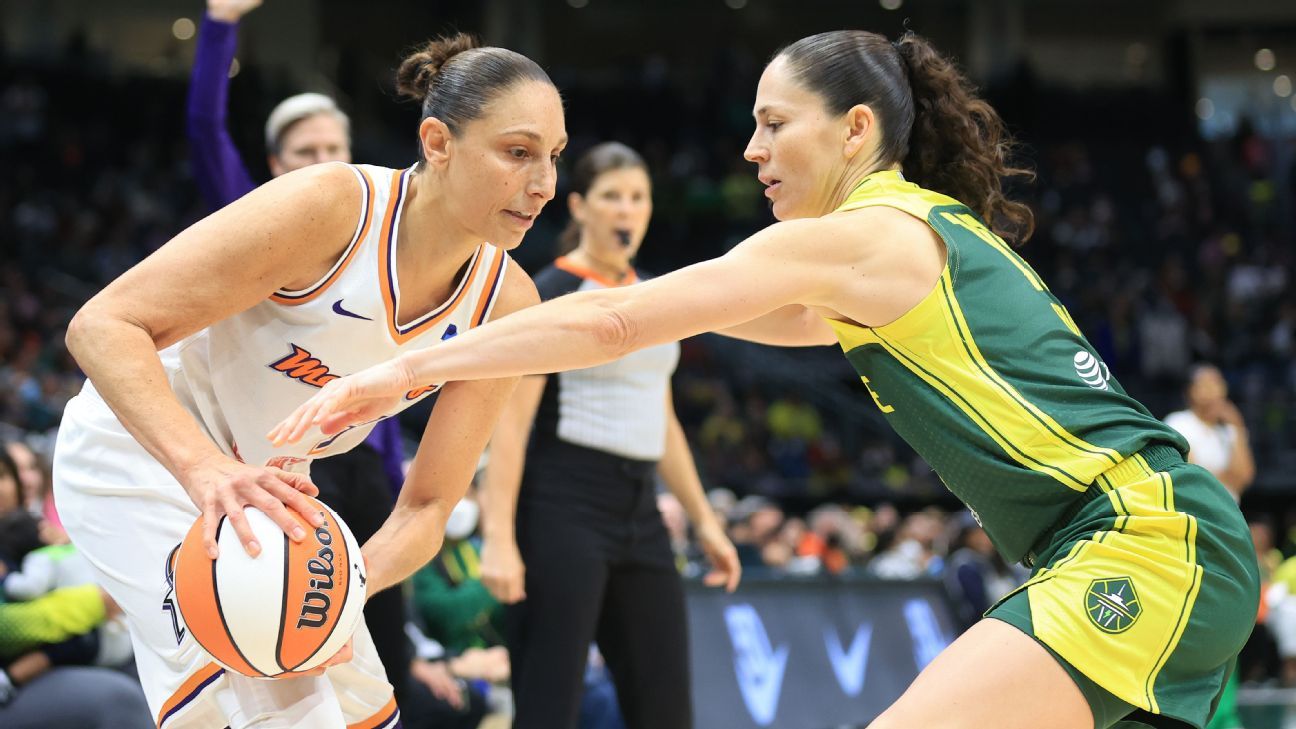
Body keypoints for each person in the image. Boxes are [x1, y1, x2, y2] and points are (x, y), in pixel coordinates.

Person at [276, 30, 1260, 729]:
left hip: (1144, 543)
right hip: (1148, 544)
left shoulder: (861, 238)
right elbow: (637, 314)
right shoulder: (900, 243)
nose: (750, 150)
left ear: (854, 130)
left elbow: (612, 323)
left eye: (773, 123)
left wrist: (408, 368)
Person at [55, 32, 565, 728]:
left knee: (358, 714)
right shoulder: (332, 206)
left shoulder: (507, 302)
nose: (544, 184)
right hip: (144, 460)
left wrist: (346, 590)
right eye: (519, 152)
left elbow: (425, 511)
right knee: (270, 710)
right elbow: (101, 326)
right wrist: (205, 470)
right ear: (438, 142)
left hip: (265, 502)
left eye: (554, 157)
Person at [186, 4, 474, 725]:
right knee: (287, 655)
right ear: (276, 166)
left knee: (380, 649)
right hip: (276, 463)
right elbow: (204, 131)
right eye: (304, 153)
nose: (321, 164)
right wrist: (218, 25)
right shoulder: (258, 217)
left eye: (332, 148)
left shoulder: (387, 232)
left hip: (368, 467)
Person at [474, 142, 740, 729]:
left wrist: (706, 521)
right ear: (580, 207)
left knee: (666, 708)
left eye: (638, 197)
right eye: (612, 196)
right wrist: (498, 537)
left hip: (640, 509)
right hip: (561, 503)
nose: (627, 210)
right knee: (549, 705)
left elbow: (661, 415)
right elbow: (510, 427)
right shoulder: (550, 289)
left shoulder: (654, 292)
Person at [1164, 364, 1255, 502]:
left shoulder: (1229, 429)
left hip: (1228, 513)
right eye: (1205, 385)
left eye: (1217, 384)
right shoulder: (1178, 421)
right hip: (1195, 510)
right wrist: (1228, 476)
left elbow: (1245, 478)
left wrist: (1238, 427)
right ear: (1190, 391)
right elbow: (1190, 474)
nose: (1213, 391)